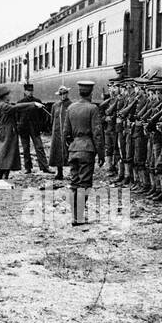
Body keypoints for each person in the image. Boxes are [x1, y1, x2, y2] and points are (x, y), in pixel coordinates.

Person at [64, 77, 104, 226]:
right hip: (87, 150)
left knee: (74, 183)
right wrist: (101, 154)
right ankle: (78, 217)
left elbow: (65, 132)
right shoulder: (93, 108)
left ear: (80, 92)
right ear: (90, 93)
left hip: (73, 149)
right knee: (84, 184)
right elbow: (97, 134)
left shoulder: (71, 108)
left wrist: (72, 145)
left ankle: (75, 215)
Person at [16, 82, 51, 174]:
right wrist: (19, 126)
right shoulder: (20, 103)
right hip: (24, 128)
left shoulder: (38, 101)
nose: (30, 93)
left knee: (39, 147)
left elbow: (43, 116)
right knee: (25, 148)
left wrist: (41, 126)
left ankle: (44, 167)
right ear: (24, 91)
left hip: (35, 128)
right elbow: (17, 117)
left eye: (31, 91)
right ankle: (28, 168)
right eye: (28, 91)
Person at [0, 88, 22, 182]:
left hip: (1, 131)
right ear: (5, 96)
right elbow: (17, 108)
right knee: (9, 152)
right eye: (9, 94)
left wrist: (0, 126)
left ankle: (1, 175)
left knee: (2, 152)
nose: (10, 96)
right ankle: (5, 176)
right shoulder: (5, 106)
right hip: (9, 132)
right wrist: (33, 104)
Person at [50, 86, 71, 181]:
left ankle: (73, 173)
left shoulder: (71, 105)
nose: (63, 96)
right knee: (57, 152)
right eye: (61, 94)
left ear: (67, 94)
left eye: (65, 93)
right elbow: (52, 119)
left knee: (69, 151)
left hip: (67, 133)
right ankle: (60, 172)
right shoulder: (55, 105)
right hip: (57, 132)